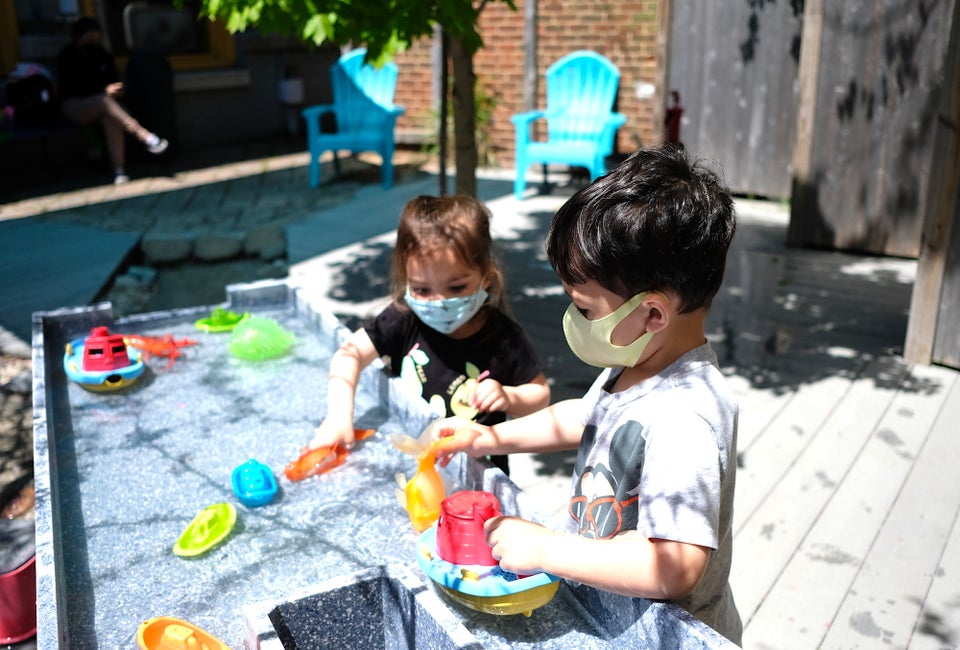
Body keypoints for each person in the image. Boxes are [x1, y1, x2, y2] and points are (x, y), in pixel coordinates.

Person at [430, 144, 742, 644]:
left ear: (653, 315)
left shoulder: (685, 416)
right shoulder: (639, 360)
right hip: (614, 614)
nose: (575, 321)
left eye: (586, 310)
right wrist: (487, 440)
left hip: (666, 634)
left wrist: (547, 549)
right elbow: (588, 417)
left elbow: (676, 564)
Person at [308, 194, 550, 475]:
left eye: (456, 288)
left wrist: (509, 397)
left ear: (486, 277)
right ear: (408, 281)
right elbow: (349, 354)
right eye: (422, 290)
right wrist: (339, 416)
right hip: (410, 462)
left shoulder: (503, 338)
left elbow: (540, 394)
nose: (438, 301)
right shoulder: (403, 318)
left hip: (474, 476)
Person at [57, 16, 169, 185]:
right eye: (89, 37)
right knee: (103, 101)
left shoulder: (101, 54)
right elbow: (71, 87)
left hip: (106, 105)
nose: (93, 41)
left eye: (96, 37)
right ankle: (144, 135)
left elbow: (112, 77)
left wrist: (117, 88)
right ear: (79, 36)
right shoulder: (68, 55)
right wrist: (103, 90)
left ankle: (119, 170)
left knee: (112, 118)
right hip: (75, 105)